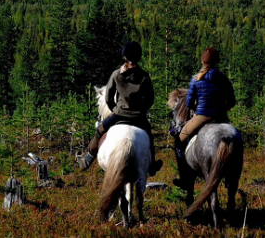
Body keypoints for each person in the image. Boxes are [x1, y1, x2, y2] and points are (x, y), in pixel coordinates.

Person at [76, 41, 163, 176]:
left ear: (125, 57)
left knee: (99, 131)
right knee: (149, 137)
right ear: (138, 57)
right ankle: (151, 165)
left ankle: (88, 158)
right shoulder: (144, 76)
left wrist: (115, 109)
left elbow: (108, 97)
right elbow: (150, 99)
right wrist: (142, 110)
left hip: (119, 114)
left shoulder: (117, 74)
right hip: (138, 117)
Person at [172, 47, 236, 188]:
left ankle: (185, 178)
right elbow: (232, 101)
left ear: (202, 61)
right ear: (217, 62)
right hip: (221, 118)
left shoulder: (195, 79)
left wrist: (197, 108)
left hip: (201, 117)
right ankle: (231, 178)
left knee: (179, 141)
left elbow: (188, 103)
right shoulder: (224, 79)